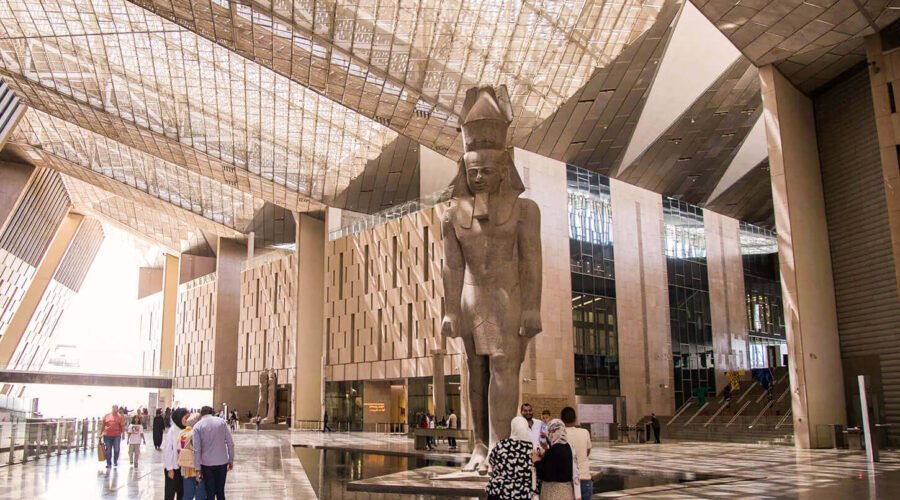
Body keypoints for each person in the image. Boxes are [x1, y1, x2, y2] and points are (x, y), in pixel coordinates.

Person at [487, 416, 535, 500]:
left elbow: (491, 461)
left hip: (499, 490)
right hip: (522, 492)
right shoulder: (531, 448)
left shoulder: (501, 445)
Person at [193, 406, 235, 500]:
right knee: (220, 492)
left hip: (207, 464)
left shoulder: (197, 426)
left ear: (201, 414)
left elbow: (197, 449)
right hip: (222, 463)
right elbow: (230, 443)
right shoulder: (221, 422)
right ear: (212, 412)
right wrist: (231, 459)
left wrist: (197, 468)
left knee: (210, 492)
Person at [532, 419, 580, 500]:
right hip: (567, 491)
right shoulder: (568, 447)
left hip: (553, 492)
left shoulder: (554, 450)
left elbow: (544, 473)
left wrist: (536, 461)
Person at [561, 407, 592, 500]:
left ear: (561, 419)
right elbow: (587, 451)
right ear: (575, 418)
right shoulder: (584, 432)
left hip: (567, 479)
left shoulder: (560, 434)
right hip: (584, 476)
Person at [176, 411, 206, 500]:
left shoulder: (181, 433)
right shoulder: (195, 433)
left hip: (185, 468)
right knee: (200, 495)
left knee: (187, 495)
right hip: (197, 469)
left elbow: (178, 450)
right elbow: (198, 451)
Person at [163, 408, 187, 500]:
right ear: (179, 417)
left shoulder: (185, 430)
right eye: (186, 417)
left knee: (181, 493)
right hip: (173, 468)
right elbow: (168, 451)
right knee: (170, 494)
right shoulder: (172, 431)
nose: (187, 420)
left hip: (182, 468)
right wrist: (170, 469)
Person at [101, 404, 126, 469]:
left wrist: (123, 434)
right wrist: (101, 434)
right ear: (112, 408)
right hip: (107, 435)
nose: (116, 409)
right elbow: (103, 425)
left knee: (116, 449)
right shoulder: (107, 416)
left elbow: (122, 426)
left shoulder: (120, 417)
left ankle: (115, 460)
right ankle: (109, 463)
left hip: (117, 435)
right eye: (114, 408)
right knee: (108, 450)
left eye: (117, 408)